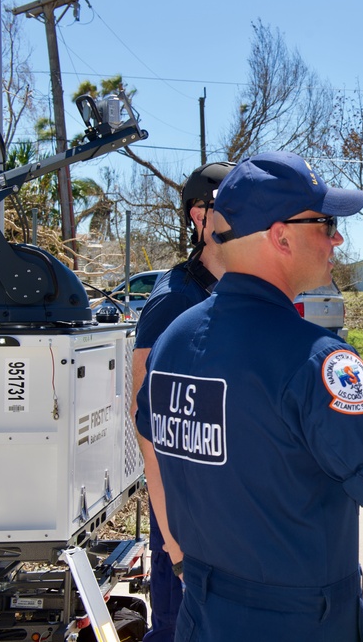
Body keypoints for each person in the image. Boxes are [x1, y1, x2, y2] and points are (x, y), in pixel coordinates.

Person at [135, 151, 363, 640]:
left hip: (203, 611)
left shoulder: (174, 338)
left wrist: (177, 553)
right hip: (298, 619)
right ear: (280, 235)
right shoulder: (318, 359)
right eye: (324, 223)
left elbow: (155, 443)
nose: (337, 237)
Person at [130, 161, 233, 642]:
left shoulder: (232, 292)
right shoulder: (175, 300)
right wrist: (173, 541)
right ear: (199, 216)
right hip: (187, 523)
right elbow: (147, 426)